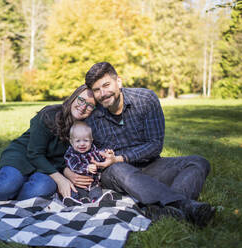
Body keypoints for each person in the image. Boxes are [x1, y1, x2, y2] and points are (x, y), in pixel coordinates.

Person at [64, 62, 215, 227]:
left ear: (119, 82)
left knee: (198, 162)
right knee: (117, 168)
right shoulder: (92, 116)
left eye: (106, 85)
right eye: (97, 90)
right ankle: (185, 206)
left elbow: (155, 145)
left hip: (150, 165)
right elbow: (73, 143)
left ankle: (164, 210)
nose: (103, 93)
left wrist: (120, 158)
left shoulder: (146, 100)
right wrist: (69, 171)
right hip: (114, 172)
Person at [63, 121, 115, 204]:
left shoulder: (93, 150)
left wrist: (106, 155)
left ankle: (97, 200)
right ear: (71, 142)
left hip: (93, 183)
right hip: (78, 184)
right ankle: (78, 200)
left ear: (91, 141)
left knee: (96, 191)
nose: (82, 144)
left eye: (86, 140)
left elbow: (99, 156)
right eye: (78, 141)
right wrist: (86, 167)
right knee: (76, 192)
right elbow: (73, 166)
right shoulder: (71, 154)